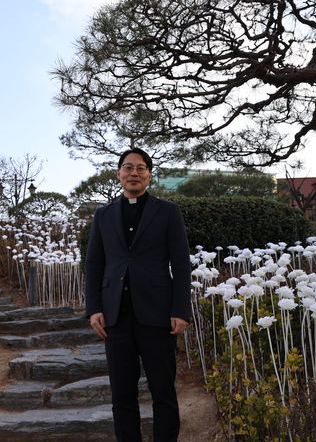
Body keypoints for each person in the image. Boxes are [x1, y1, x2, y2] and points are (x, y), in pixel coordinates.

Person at [85, 147, 191, 442]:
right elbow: (94, 262)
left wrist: (181, 310)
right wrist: (93, 308)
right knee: (122, 395)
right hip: (115, 316)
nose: (134, 173)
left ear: (149, 175)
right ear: (119, 173)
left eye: (141, 168)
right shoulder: (103, 215)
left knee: (164, 392)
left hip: (158, 315)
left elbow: (181, 262)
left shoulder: (168, 211)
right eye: (128, 167)